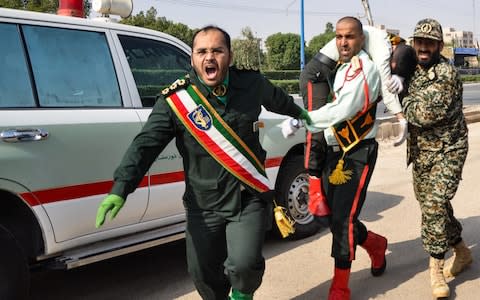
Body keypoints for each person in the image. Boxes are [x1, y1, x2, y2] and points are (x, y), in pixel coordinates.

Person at [94, 25, 311, 300]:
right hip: (203, 204)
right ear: (193, 58)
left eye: (217, 51)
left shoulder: (251, 84)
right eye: (202, 51)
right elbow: (145, 145)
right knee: (202, 273)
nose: (210, 57)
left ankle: (243, 296)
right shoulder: (176, 101)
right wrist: (121, 187)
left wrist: (303, 114)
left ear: (229, 56)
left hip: (248, 197)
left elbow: (280, 100)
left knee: (244, 265)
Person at [303, 16, 388, 299]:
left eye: (349, 37)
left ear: (361, 39)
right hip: (334, 151)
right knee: (329, 215)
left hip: (357, 153)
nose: (343, 42)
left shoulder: (365, 70)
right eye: (338, 37)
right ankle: (374, 243)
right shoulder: (341, 66)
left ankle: (340, 286)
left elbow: (340, 110)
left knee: (342, 221)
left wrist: (302, 118)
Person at [401, 18, 472, 299]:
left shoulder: (446, 74)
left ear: (439, 46)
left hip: (448, 149)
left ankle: (436, 268)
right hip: (421, 150)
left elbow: (423, 115)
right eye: (419, 42)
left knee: (434, 206)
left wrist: (401, 97)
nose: (423, 47)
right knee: (434, 207)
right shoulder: (411, 69)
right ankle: (463, 251)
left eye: (429, 43)